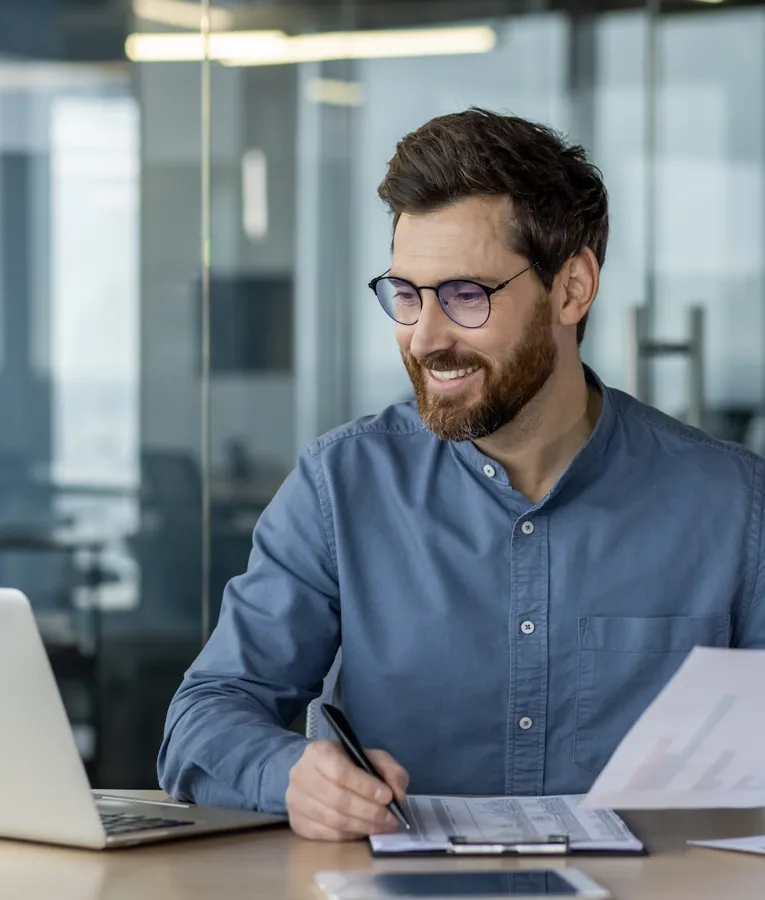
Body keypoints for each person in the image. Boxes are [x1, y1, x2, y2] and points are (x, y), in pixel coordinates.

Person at [158, 108, 765, 841]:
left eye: (466, 296)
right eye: (406, 294)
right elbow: (202, 718)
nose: (424, 337)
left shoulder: (733, 506)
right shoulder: (340, 488)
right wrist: (291, 775)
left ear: (571, 289)